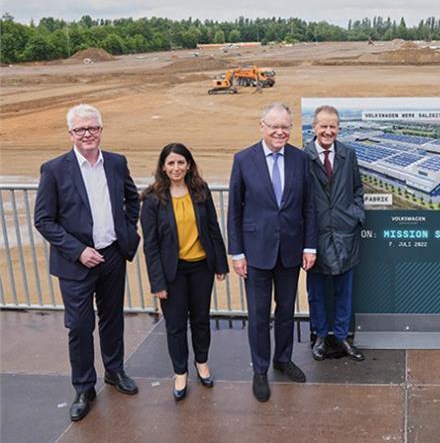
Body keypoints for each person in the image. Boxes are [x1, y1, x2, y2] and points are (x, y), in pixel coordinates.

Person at [34, 104, 140, 422]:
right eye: (80, 129)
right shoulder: (54, 169)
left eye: (93, 128)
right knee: (80, 326)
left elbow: (132, 199)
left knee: (112, 319)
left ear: (101, 130)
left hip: (111, 257)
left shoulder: (117, 163)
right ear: (71, 134)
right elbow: (44, 220)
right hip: (76, 263)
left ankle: (114, 371)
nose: (87, 134)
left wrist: (125, 231)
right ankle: (84, 387)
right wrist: (78, 250)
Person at [227, 103, 317, 402]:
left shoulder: (300, 159)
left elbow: (308, 206)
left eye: (285, 127)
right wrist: (237, 253)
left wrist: (309, 245)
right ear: (262, 126)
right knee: (258, 314)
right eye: (274, 126)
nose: (280, 132)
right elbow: (234, 211)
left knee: (286, 310)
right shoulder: (243, 160)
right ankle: (260, 369)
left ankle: (283, 358)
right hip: (256, 252)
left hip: (291, 250)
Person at [140, 143, 229, 401]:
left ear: (188, 164)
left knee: (201, 319)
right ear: (163, 167)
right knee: (176, 325)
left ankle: (202, 363)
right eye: (171, 163)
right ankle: (180, 372)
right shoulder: (153, 199)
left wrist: (220, 264)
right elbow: (151, 245)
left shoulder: (200, 190)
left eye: (181, 162)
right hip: (172, 272)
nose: (176, 168)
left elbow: (213, 227)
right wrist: (158, 282)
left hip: (201, 267)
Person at [304, 105, 366, 362]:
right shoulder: (302, 157)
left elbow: (357, 189)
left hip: (344, 234)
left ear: (339, 128)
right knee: (316, 292)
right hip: (314, 236)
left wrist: (355, 216)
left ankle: (341, 336)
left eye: (333, 126)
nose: (328, 131)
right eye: (323, 126)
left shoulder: (348, 154)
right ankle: (320, 336)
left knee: (344, 290)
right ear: (314, 128)